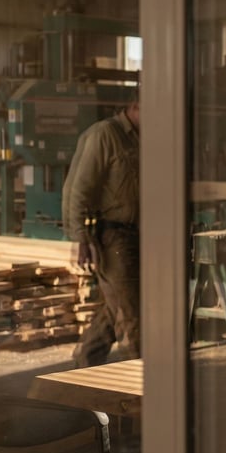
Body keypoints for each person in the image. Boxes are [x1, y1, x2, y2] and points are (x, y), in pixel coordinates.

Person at [62, 97, 140, 367]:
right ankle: (143, 389)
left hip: (136, 234)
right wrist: (80, 238)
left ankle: (85, 359)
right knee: (132, 317)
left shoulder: (139, 138)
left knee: (116, 306)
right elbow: (78, 190)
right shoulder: (105, 135)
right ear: (135, 108)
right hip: (112, 236)